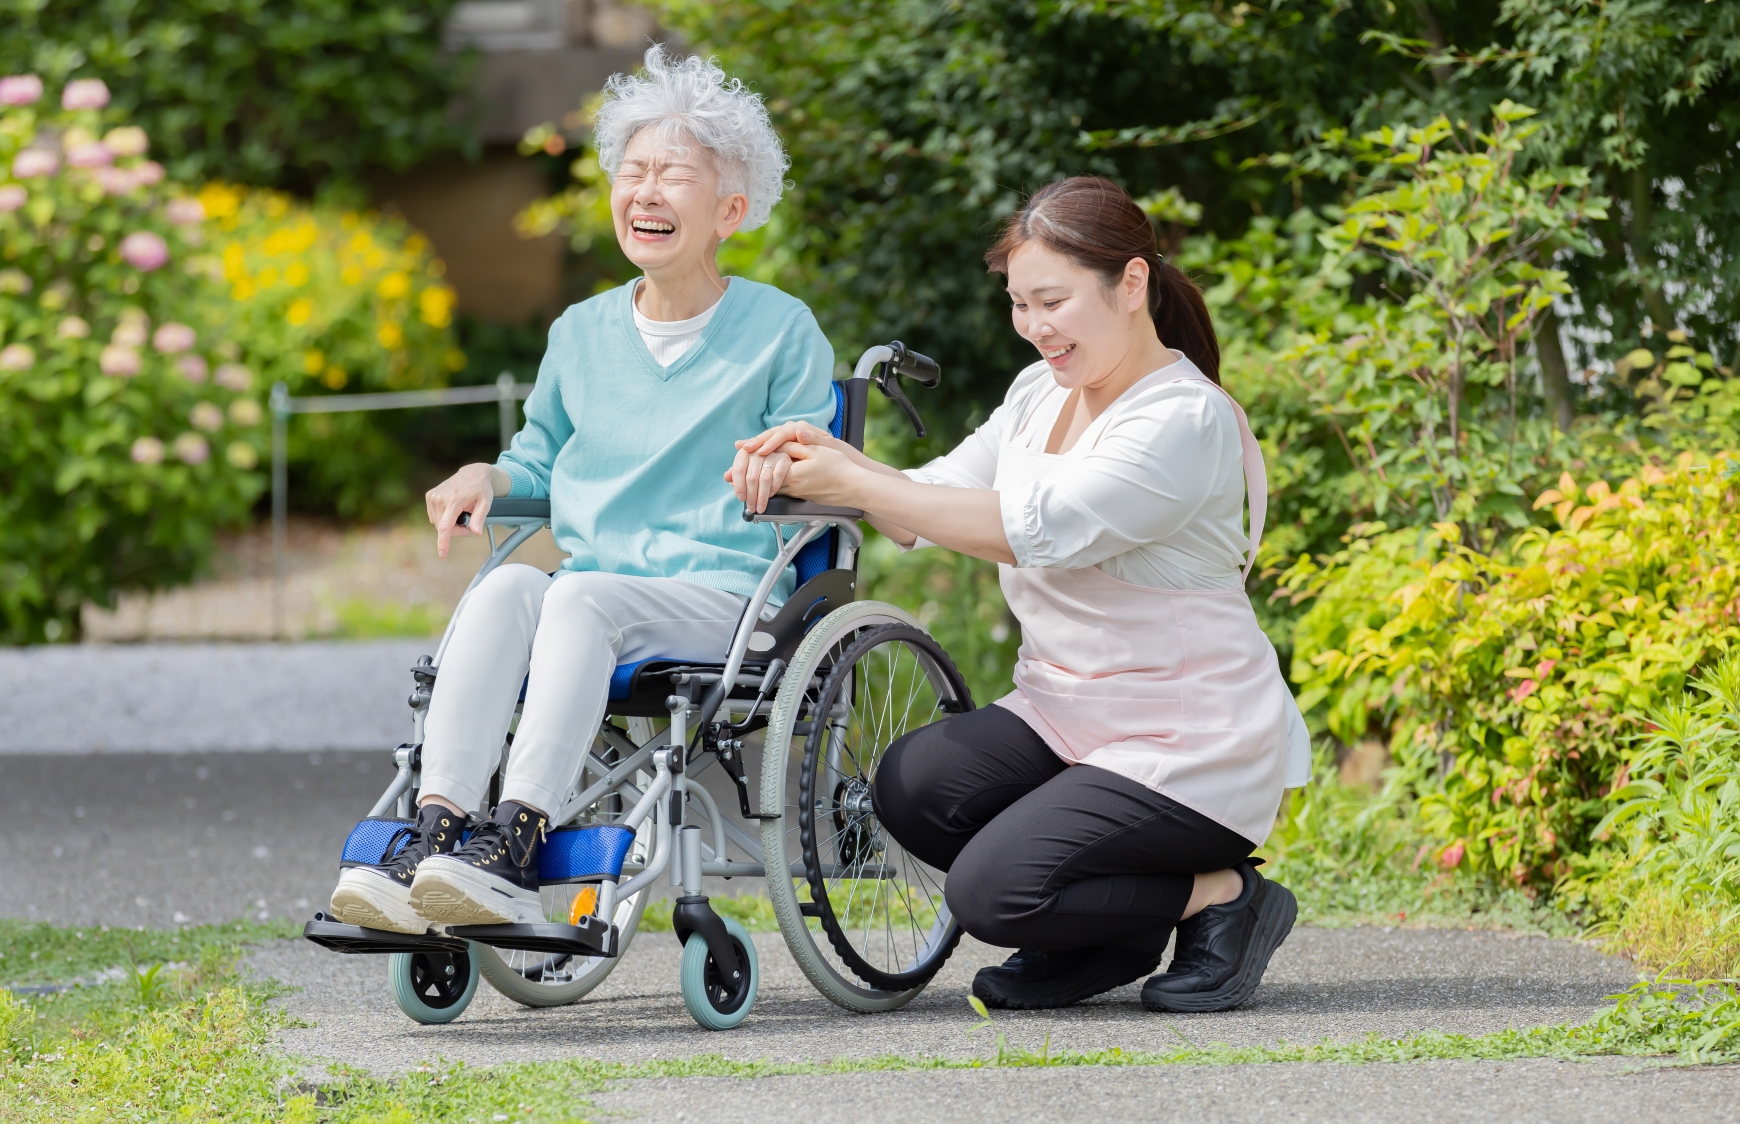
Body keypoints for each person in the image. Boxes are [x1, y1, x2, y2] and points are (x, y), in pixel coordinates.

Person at [731, 176, 1312, 1013]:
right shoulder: (1039, 393)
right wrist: (832, 461)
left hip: (1190, 745)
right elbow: (929, 501)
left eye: (1053, 301)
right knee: (913, 785)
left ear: (1133, 284)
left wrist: (860, 484)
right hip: (1065, 712)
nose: (1035, 328)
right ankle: (1105, 935)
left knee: (990, 893)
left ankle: (1223, 895)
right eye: (1019, 305)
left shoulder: (1183, 420)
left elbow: (1034, 526)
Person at [328, 47, 836, 935]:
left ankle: (517, 840)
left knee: (578, 598)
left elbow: (812, 455)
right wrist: (484, 476)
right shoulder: (581, 332)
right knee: (507, 589)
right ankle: (440, 831)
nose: (645, 190)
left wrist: (783, 461)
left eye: (673, 174)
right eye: (631, 170)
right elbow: (539, 459)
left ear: (731, 210)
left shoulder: (779, 329)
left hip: (727, 597)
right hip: (597, 598)